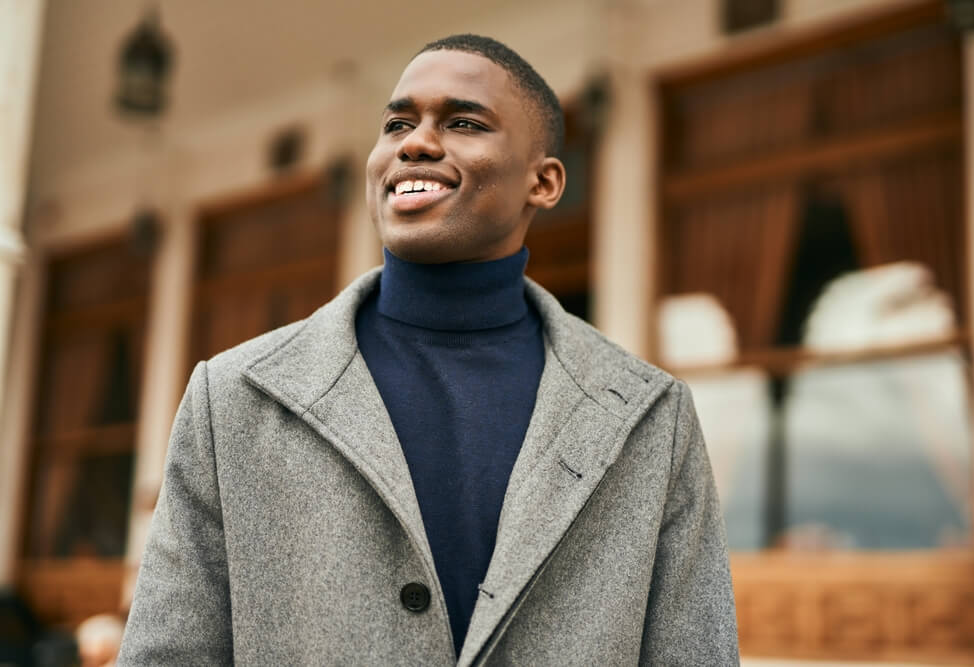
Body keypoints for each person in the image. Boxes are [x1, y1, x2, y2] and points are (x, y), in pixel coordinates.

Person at [119, 34, 738, 665]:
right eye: (397, 124)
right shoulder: (230, 400)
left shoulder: (652, 419)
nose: (414, 142)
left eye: (464, 122)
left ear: (544, 181)